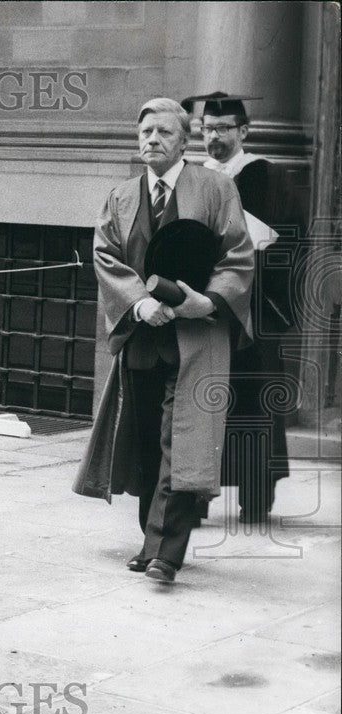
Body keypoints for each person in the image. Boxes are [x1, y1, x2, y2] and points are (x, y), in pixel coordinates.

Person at [74, 97, 253, 584]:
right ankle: (149, 540)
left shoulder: (216, 189)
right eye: (146, 132)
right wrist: (137, 302)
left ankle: (165, 552)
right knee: (148, 443)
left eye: (164, 133)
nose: (152, 140)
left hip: (197, 337)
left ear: (185, 140)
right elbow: (106, 257)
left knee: (185, 439)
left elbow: (238, 253)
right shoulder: (121, 197)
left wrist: (210, 301)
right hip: (144, 338)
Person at [183, 91, 293, 524]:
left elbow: (275, 239)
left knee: (253, 401)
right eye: (208, 129)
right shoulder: (193, 176)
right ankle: (195, 496)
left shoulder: (264, 176)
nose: (214, 137)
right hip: (209, 305)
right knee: (204, 402)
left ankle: (255, 499)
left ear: (243, 131)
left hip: (256, 306)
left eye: (223, 129)